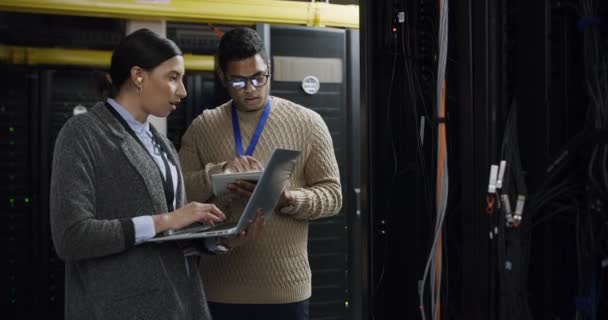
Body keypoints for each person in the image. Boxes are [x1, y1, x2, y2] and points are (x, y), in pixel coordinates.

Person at [49, 28, 226, 320]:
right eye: (173, 78)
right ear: (138, 76)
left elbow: (170, 237)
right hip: (117, 309)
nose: (183, 91)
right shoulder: (82, 134)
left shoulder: (164, 144)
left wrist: (220, 238)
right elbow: (71, 237)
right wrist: (165, 220)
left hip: (181, 303)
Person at [179, 27, 343, 320]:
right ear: (222, 79)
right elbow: (180, 195)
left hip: (285, 290)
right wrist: (219, 172)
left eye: (258, 77)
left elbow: (333, 196)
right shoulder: (202, 127)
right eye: (239, 81)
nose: (251, 88)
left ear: (270, 70)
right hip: (219, 289)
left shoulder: (308, 123)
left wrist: (287, 198)